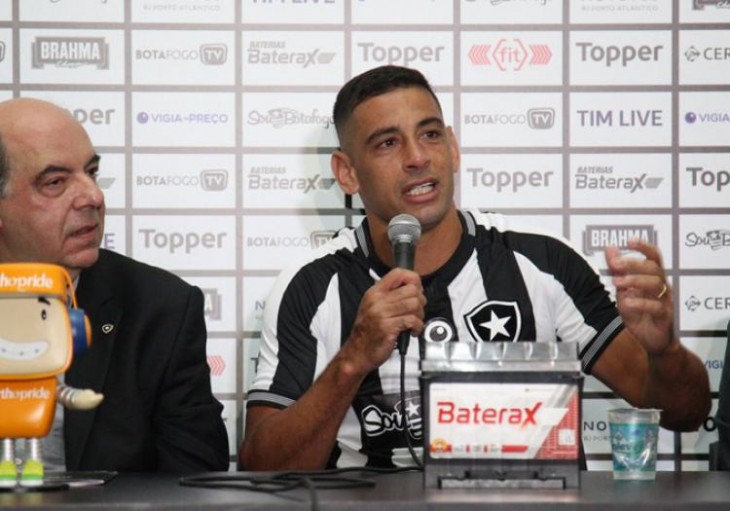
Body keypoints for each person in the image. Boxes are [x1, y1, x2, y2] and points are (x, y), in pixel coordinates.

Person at [239, 65, 711, 470]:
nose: (417, 158)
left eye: (430, 134)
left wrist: (666, 352)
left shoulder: (542, 262)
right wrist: (352, 359)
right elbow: (262, 467)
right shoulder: (311, 285)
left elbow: (684, 413)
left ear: (453, 147)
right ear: (347, 173)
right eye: (387, 143)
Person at [0, 97, 229, 474]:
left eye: (91, 172)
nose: (93, 196)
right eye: (56, 182)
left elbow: (193, 479)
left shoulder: (159, 308)